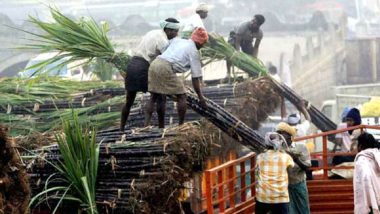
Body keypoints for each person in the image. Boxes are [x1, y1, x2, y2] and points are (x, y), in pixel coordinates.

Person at [119, 18, 180, 132]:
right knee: (159, 97)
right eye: (175, 32)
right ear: (169, 30)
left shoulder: (152, 32)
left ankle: (121, 129)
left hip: (133, 65)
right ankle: (154, 127)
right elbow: (166, 59)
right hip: (144, 67)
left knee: (129, 101)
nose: (176, 34)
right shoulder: (163, 40)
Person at [145, 27, 209, 128]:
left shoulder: (178, 40)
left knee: (154, 96)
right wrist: (201, 98)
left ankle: (148, 125)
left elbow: (164, 50)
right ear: (200, 42)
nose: (203, 46)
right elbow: (195, 78)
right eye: (203, 43)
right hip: (165, 67)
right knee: (182, 96)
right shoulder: (194, 52)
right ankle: (181, 126)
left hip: (155, 64)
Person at [255, 132, 295, 214]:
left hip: (263, 197)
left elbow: (257, 173)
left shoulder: (260, 157)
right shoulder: (286, 157)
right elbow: (291, 174)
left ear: (266, 144)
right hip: (280, 198)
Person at [277, 122, 311, 214]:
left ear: (289, 135)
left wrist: (296, 159)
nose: (279, 135)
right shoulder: (277, 150)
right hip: (285, 188)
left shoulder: (301, 147)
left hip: (299, 185)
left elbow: (307, 167)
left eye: (281, 133)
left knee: (303, 211)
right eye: (277, 133)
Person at [354, 132, 380, 214]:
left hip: (370, 204)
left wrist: (370, 202)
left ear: (360, 146)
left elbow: (366, 178)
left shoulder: (362, 160)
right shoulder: (377, 155)